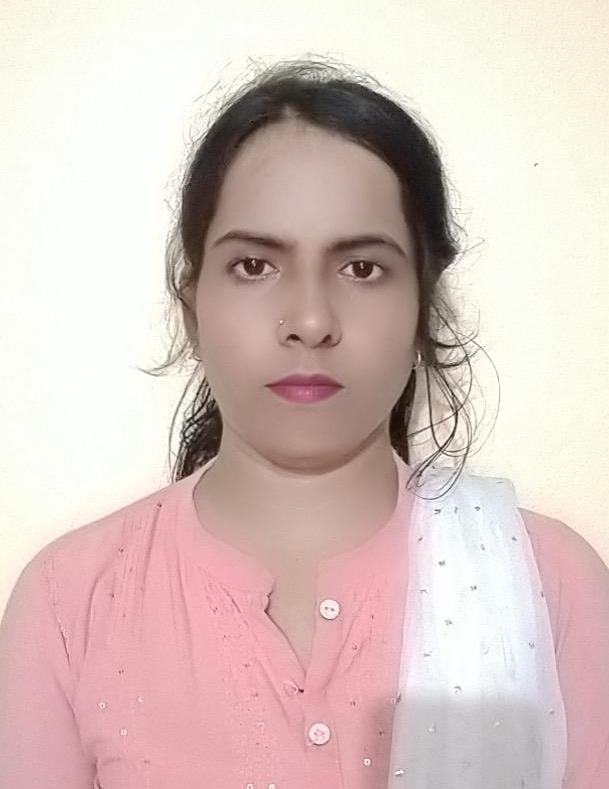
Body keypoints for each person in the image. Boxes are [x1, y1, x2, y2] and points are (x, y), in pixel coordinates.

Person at [1, 57, 608, 788]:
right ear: (192, 306)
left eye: (362, 268)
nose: (311, 320)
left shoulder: (549, 583)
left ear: (423, 304)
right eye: (255, 266)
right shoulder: (71, 600)